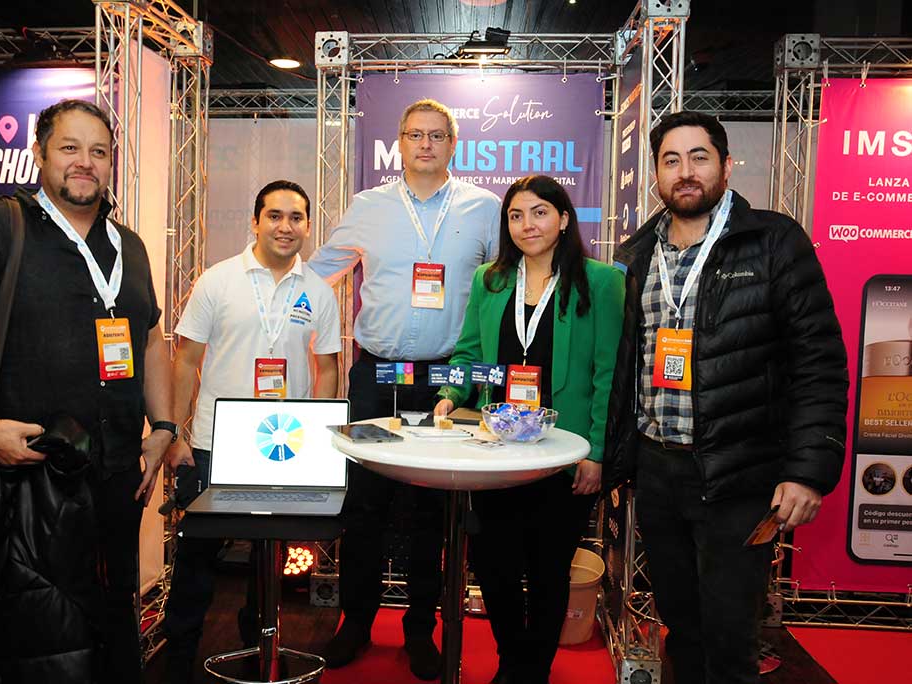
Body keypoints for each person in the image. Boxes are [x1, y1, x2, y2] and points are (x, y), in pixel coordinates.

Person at [0, 99, 174, 682]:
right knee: (35, 646)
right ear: (38, 154)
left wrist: (163, 427)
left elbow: (150, 337)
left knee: (113, 623)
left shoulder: (129, 245)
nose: (85, 162)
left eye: (99, 152)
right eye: (70, 148)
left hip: (116, 477)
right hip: (29, 475)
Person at [602, 111, 848, 684]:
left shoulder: (773, 241)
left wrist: (808, 472)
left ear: (726, 165)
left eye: (699, 157)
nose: (685, 172)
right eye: (671, 160)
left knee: (731, 637)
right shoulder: (635, 255)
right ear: (656, 174)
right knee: (681, 626)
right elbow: (624, 367)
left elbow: (818, 361)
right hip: (658, 471)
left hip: (739, 473)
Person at [308, 98, 501, 679]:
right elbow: (318, 274)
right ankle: (355, 624)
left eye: (437, 135)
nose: (425, 144)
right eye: (415, 134)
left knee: (430, 514)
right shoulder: (368, 206)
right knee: (364, 507)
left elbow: (505, 285)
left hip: (447, 380)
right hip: (377, 375)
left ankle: (421, 631)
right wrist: (271, 315)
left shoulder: (485, 209)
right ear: (399, 142)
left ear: (453, 144)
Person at [433, 175, 624, 684]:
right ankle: (512, 661)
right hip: (497, 453)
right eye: (516, 215)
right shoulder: (491, 280)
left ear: (564, 219)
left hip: (563, 454)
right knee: (492, 565)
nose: (527, 225)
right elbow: (469, 353)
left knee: (547, 569)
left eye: (539, 212)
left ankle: (533, 671)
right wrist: (451, 393)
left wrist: (596, 453)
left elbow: (607, 375)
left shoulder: (601, 282)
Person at [161, 180, 341, 683]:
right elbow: (185, 361)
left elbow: (328, 368)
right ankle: (178, 661)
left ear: (308, 225)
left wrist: (319, 439)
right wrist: (174, 433)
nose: (286, 227)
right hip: (214, 445)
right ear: (255, 221)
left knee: (271, 557)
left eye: (296, 217)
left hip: (284, 448)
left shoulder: (318, 290)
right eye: (275, 216)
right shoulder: (216, 281)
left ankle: (257, 647)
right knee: (197, 558)